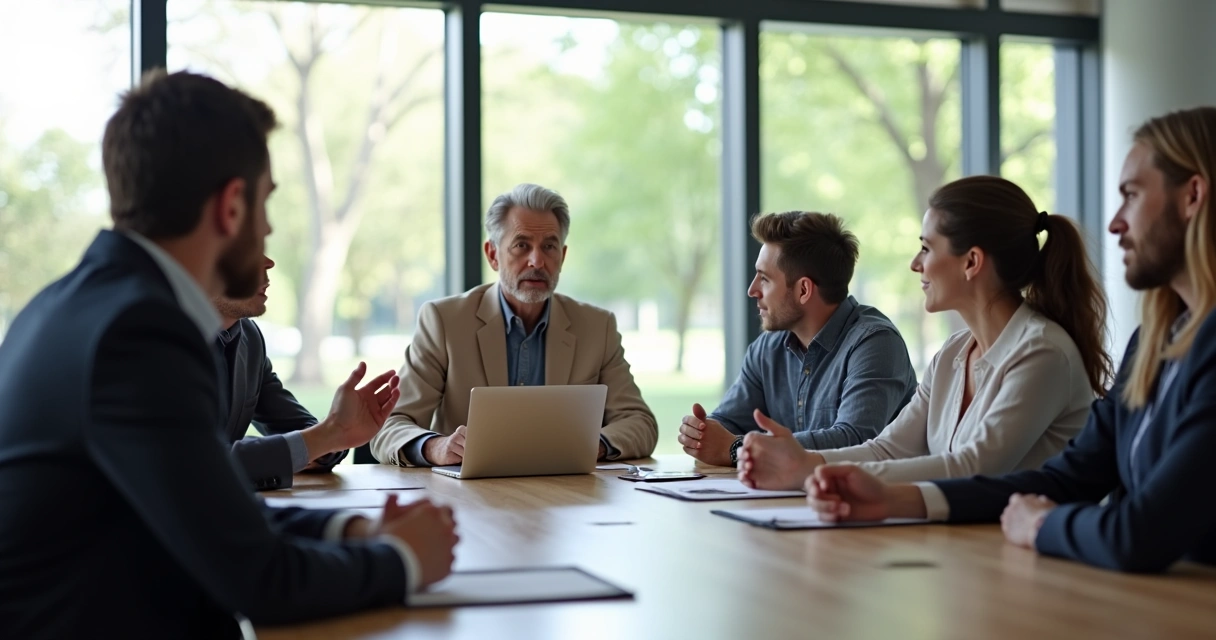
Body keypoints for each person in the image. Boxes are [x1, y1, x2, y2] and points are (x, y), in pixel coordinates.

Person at [0, 70, 457, 638]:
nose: (266, 228)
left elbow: (210, 510)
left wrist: (352, 531)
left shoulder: (67, 305)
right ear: (232, 206)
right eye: (265, 202)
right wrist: (406, 561)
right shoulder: (141, 333)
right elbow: (261, 583)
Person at [804, 107, 1216, 573]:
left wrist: (1043, 525)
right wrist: (893, 500)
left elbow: (1139, 533)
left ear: (1193, 196)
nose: (1115, 223)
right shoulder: (1153, 343)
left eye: (1132, 196)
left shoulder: (1048, 349)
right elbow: (1064, 480)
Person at [738, 177, 1112, 489]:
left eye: (926, 248)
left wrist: (811, 469)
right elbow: (887, 449)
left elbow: (972, 467)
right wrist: (804, 460)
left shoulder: (1042, 353)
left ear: (971, 262)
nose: (915, 264)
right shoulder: (952, 354)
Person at [369, 183, 658, 466]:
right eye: (522, 245)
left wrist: (593, 445)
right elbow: (389, 426)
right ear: (493, 254)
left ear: (563, 256)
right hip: (468, 501)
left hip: (566, 501)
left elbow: (640, 423)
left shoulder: (597, 327)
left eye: (549, 246)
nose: (537, 261)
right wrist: (436, 447)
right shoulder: (444, 322)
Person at [678, 211, 917, 468]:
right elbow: (729, 423)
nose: (752, 290)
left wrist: (738, 448)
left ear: (803, 290)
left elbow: (856, 441)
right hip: (793, 499)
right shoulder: (767, 348)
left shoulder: (876, 343)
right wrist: (702, 433)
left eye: (765, 279)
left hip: (871, 503)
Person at [215, 255, 392, 490]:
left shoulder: (249, 338)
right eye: (249, 248)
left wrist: (333, 435)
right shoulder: (159, 344)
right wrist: (328, 436)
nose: (269, 263)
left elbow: (303, 428)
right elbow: (202, 462)